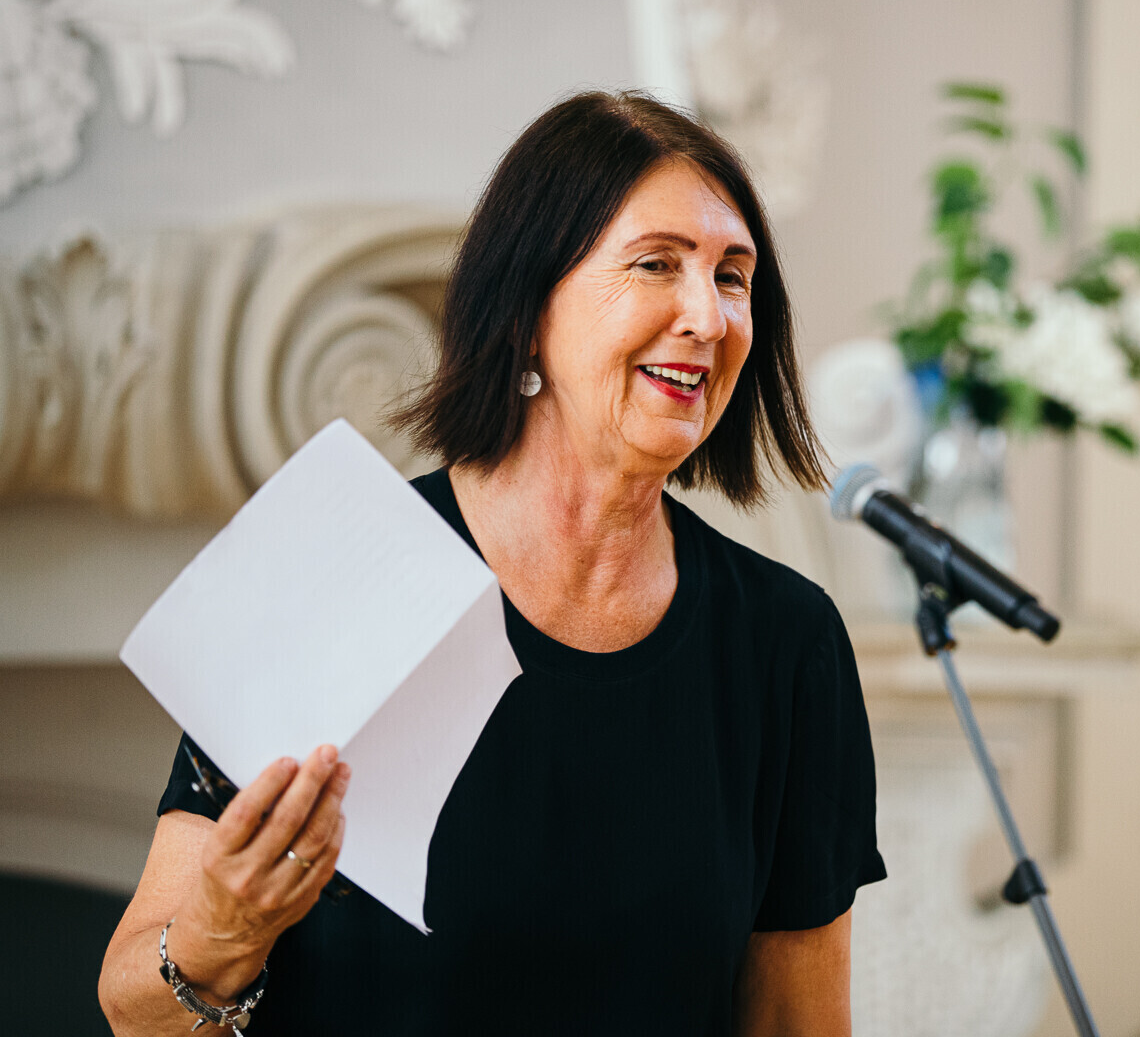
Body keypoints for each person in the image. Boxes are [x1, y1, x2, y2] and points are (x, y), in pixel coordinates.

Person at [98, 91, 886, 1036]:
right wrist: (224, 931)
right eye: (655, 264)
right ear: (527, 307)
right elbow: (133, 1013)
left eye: (732, 276)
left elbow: (800, 1025)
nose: (708, 317)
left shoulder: (786, 644)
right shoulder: (335, 571)